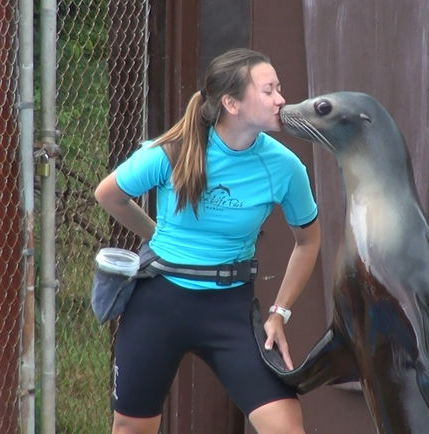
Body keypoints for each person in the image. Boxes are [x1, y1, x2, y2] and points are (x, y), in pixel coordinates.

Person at [94, 48, 320, 434]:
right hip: (158, 303)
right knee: (131, 426)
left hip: (229, 308)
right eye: (268, 91)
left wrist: (279, 313)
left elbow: (308, 242)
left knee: (285, 426)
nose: (281, 99)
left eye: (279, 88)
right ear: (231, 103)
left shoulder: (285, 167)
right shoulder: (171, 151)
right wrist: (157, 237)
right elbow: (108, 194)